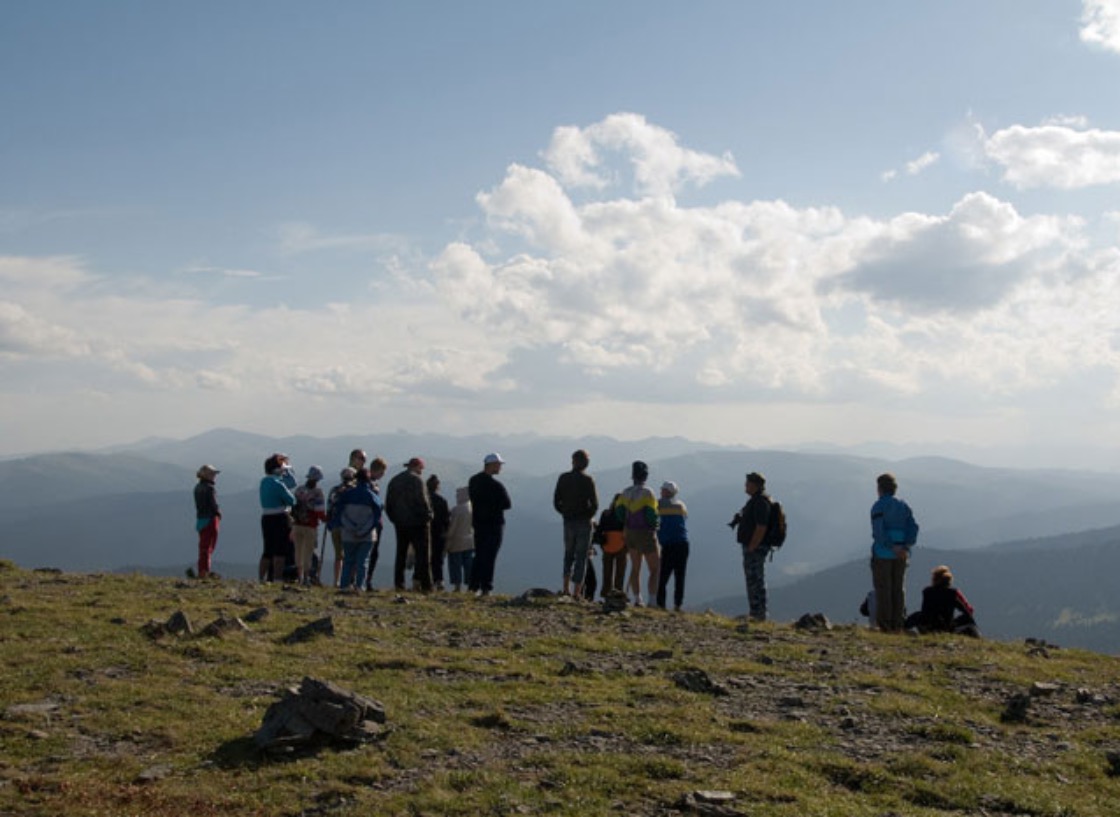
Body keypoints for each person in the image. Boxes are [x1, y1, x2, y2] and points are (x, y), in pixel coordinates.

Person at [870, 472, 919, 633]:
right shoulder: (904, 506)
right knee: (898, 589)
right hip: (902, 555)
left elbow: (879, 532)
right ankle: (898, 624)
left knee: (883, 589)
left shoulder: (878, 506)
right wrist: (905, 546)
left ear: (880, 488)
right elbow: (913, 527)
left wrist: (891, 546)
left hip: (883, 554)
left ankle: (885, 625)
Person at [553, 449, 599, 598]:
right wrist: (588, 516)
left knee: (568, 555)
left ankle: (565, 588)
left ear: (573, 461)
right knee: (581, 557)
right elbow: (595, 504)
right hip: (584, 522)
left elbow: (556, 501)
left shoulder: (563, 478)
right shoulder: (588, 480)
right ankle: (576, 592)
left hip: (568, 521)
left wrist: (565, 512)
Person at [385, 457, 434, 592]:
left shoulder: (394, 480)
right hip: (418, 523)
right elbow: (423, 501)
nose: (422, 471)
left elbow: (388, 503)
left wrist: (394, 518)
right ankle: (426, 585)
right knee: (422, 555)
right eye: (421, 468)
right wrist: (429, 516)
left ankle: (399, 584)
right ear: (417, 466)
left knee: (401, 553)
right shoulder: (417, 481)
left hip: (400, 523)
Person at [615, 461, 659, 607]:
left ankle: (637, 599)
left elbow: (619, 511)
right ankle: (652, 600)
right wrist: (654, 525)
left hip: (630, 533)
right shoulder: (648, 493)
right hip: (645, 533)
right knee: (655, 568)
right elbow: (652, 513)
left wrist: (626, 523)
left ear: (633, 476)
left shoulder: (625, 492)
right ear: (645, 476)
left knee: (635, 566)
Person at [730, 471, 773, 622]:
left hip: (755, 548)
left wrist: (752, 547)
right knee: (755, 579)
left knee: (755, 580)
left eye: (747, 483)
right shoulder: (757, 500)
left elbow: (761, 527)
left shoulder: (760, 502)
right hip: (754, 547)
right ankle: (757, 612)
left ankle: (758, 614)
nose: (745, 486)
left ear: (755, 485)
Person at [468, 452, 512, 597]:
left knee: (479, 554)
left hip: (478, 523)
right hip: (494, 524)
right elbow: (507, 504)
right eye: (498, 465)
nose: (500, 468)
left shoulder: (473, 480)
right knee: (490, 556)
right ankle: (486, 586)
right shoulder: (496, 485)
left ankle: (473, 585)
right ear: (491, 465)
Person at [334, 468, 383, 592]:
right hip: (367, 535)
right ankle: (360, 586)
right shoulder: (373, 497)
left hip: (348, 534)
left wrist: (350, 527)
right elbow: (376, 517)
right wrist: (364, 530)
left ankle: (344, 586)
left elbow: (340, 514)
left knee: (348, 560)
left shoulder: (346, 495)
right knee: (362, 562)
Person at [905, 566, 979, 636]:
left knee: (916, 614)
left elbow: (925, 610)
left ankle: (901, 629)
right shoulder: (953, 593)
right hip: (946, 627)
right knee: (969, 619)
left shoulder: (927, 591)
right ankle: (977, 637)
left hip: (929, 627)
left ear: (934, 578)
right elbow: (968, 611)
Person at [259, 453, 297, 583]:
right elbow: (292, 500)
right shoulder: (278, 483)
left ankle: (261, 578)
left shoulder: (264, 482)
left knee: (267, 550)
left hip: (266, 517)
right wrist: (287, 472)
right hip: (280, 517)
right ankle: (277, 578)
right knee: (280, 550)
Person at [655, 481, 689, 611]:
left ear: (667, 492)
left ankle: (660, 603)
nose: (661, 491)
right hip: (682, 543)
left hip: (669, 544)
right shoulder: (681, 505)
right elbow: (685, 518)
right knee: (680, 575)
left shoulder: (659, 504)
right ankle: (678, 604)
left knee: (663, 575)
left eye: (663, 489)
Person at [292, 466, 327, 586]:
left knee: (298, 551)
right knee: (308, 552)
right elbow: (319, 511)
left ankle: (299, 576)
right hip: (310, 526)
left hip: (297, 525)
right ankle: (306, 578)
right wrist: (326, 519)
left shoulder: (299, 490)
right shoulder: (318, 492)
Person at [325, 467, 357, 587]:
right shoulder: (354, 490)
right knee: (351, 554)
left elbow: (329, 508)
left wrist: (329, 523)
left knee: (339, 555)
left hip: (335, 526)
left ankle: (336, 580)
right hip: (350, 526)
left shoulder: (334, 490)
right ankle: (349, 580)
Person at [593, 493, 626, 598]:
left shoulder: (605, 513)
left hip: (607, 544)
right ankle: (618, 592)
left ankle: (606, 592)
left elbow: (600, 529)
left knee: (607, 571)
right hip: (622, 544)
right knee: (620, 572)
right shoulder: (625, 514)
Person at [192, 464, 221, 579]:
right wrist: (218, 513)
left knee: (203, 547)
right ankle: (204, 572)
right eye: (213, 474)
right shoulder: (210, 488)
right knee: (208, 547)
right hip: (210, 519)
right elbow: (213, 504)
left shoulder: (197, 487)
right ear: (208, 475)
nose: (214, 476)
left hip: (200, 520)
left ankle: (202, 570)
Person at [363, 457, 388, 590]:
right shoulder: (372, 485)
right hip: (373, 522)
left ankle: (363, 579)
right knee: (372, 552)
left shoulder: (365, 482)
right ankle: (366, 580)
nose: (382, 475)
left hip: (367, 521)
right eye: (382, 472)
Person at [445, 486, 475, 592]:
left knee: (455, 565)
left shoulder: (457, 510)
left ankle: (457, 587)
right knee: (468, 565)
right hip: (470, 541)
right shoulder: (472, 507)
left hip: (457, 542)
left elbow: (452, 527)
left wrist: (447, 538)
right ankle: (470, 586)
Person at [427, 474, 451, 591]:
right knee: (438, 559)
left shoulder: (424, 499)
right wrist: (446, 531)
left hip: (425, 531)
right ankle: (439, 580)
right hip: (439, 532)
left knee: (425, 557)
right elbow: (447, 519)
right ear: (437, 487)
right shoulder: (442, 501)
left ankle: (424, 580)